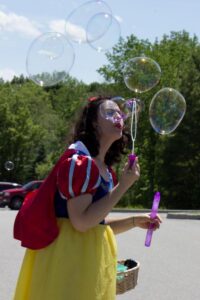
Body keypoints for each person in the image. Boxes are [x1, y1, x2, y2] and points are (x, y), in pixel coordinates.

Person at [13, 96, 162, 300]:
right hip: (68, 261)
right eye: (110, 112)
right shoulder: (80, 163)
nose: (118, 116)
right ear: (93, 123)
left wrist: (135, 221)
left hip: (85, 260)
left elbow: (95, 223)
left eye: (120, 112)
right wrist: (124, 186)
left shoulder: (106, 170)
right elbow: (81, 222)